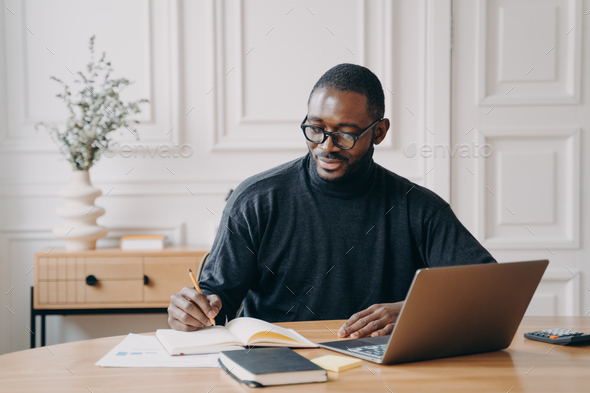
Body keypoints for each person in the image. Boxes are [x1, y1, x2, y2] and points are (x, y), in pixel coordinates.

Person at [167, 63, 496, 339]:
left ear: (379, 132)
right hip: (275, 366)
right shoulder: (256, 200)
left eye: (345, 134)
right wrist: (192, 312)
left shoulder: (418, 208)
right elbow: (215, 300)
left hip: (381, 372)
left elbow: (489, 291)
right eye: (316, 129)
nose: (326, 146)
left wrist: (415, 312)